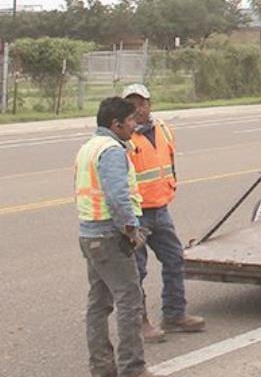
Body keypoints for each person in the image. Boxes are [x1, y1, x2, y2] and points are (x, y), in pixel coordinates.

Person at [75, 95, 155, 377]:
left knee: (98, 303)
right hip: (110, 236)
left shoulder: (89, 147)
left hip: (90, 234)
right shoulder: (111, 151)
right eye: (131, 120)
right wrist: (131, 230)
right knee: (129, 300)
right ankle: (133, 368)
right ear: (116, 124)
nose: (135, 125)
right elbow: (117, 197)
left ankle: (102, 367)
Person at [122, 83, 206, 342]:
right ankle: (140, 323)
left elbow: (169, 164)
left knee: (174, 259)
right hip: (136, 215)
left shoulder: (164, 130)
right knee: (137, 271)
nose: (138, 108)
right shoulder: (123, 139)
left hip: (160, 209)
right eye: (132, 104)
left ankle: (174, 314)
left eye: (142, 102)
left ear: (150, 104)